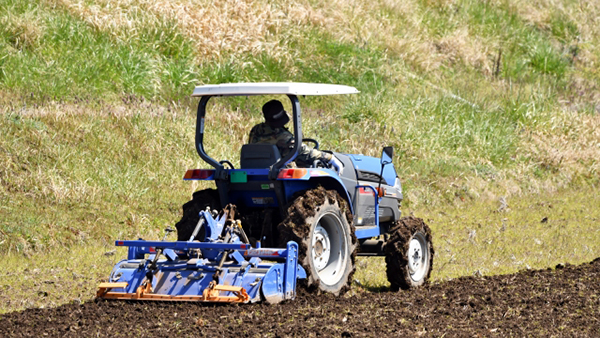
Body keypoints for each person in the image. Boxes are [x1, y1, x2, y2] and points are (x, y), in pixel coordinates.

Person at [248, 99, 343, 173]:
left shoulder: (256, 130)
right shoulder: (282, 136)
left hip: (255, 172)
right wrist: (329, 158)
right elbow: (303, 152)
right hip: (277, 175)